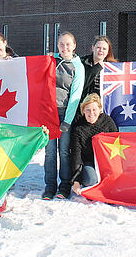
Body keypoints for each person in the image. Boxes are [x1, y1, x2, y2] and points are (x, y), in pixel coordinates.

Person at [43, 32, 85, 200]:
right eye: (61, 44)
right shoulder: (51, 61)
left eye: (68, 44)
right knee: (50, 152)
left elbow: (75, 95)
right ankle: (50, 186)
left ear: (74, 46)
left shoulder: (78, 66)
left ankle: (64, 185)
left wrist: (67, 121)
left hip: (65, 115)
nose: (65, 47)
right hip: (48, 114)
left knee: (64, 152)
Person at [70, 93, 118, 195]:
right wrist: (76, 180)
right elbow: (76, 155)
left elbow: (117, 143)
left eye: (94, 109)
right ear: (83, 111)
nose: (91, 113)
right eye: (87, 110)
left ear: (100, 110)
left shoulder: (108, 122)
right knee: (90, 180)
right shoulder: (78, 128)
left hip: (106, 162)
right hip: (89, 162)